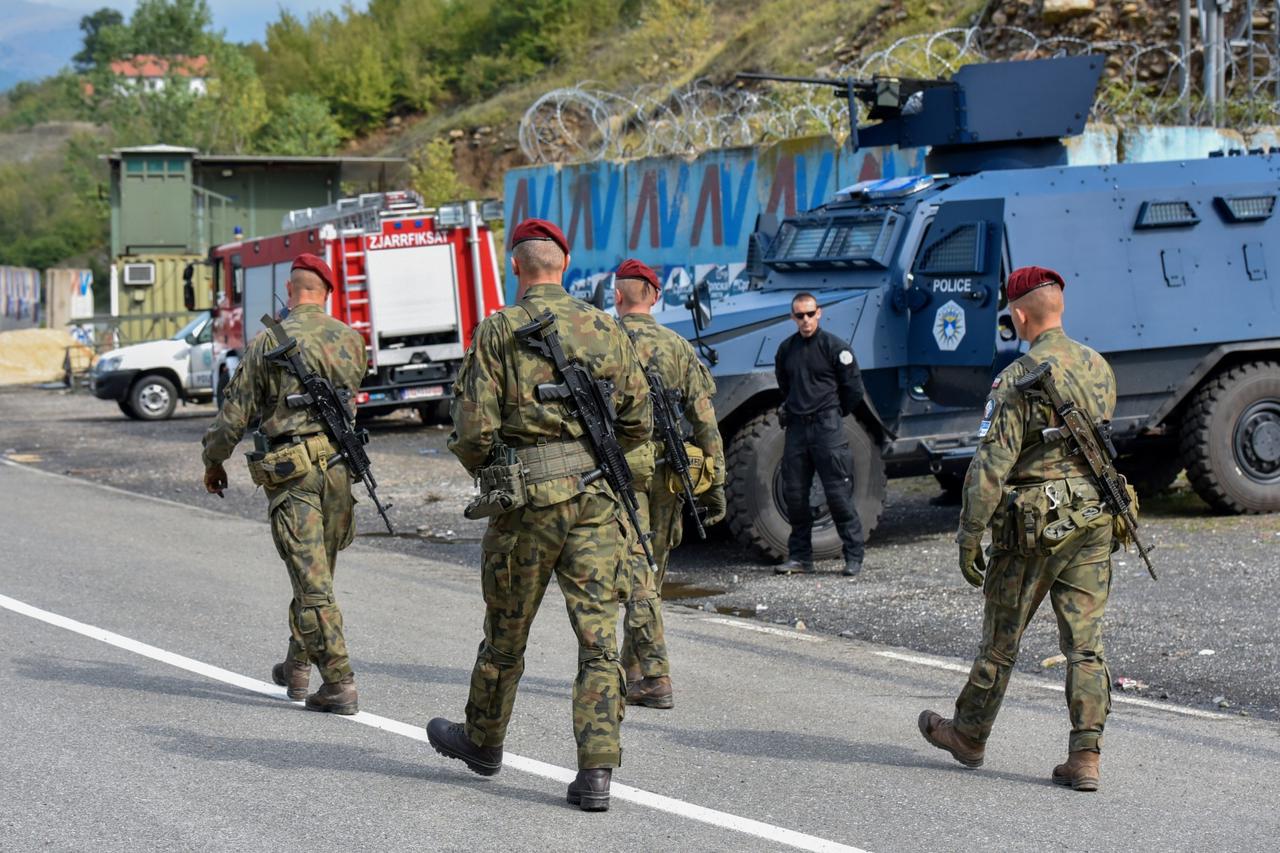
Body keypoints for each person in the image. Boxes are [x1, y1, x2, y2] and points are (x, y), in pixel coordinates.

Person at [426, 219, 652, 812]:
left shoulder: (499, 330)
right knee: (600, 640)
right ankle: (597, 772)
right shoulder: (607, 327)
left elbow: (472, 431)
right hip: (598, 499)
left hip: (527, 502)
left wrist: (502, 469)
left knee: (506, 634)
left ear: (516, 267)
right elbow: (638, 423)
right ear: (566, 264)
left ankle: (483, 741)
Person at [917, 266, 1118, 792]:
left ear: (1019, 315)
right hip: (1094, 518)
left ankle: (969, 734)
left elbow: (989, 467)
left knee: (1001, 640)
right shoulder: (1098, 366)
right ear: (1061, 309)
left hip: (1035, 527)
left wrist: (969, 535)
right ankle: (1086, 756)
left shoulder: (1016, 379)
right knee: (1085, 645)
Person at [201, 253, 366, 715]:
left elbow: (233, 416)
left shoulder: (266, 342)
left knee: (311, 579)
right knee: (317, 570)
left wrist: (213, 461)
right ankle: (297, 664)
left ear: (291, 292)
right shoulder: (352, 340)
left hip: (293, 470)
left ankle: (339, 682)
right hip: (339, 466)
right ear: (328, 293)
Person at [614, 258, 725, 711]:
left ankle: (655, 676)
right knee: (650, 573)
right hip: (670, 474)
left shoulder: (606, 341)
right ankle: (633, 669)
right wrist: (715, 484)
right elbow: (704, 420)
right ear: (655, 297)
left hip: (621, 471)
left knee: (635, 575)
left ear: (618, 296)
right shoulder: (678, 347)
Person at [773, 292, 866, 577]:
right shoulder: (786, 349)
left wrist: (834, 415)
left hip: (827, 428)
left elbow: (853, 390)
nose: (805, 320)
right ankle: (800, 558)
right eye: (799, 315)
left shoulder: (835, 347)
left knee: (838, 494)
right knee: (796, 496)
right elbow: (784, 384)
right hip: (797, 429)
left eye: (810, 314)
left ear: (819, 313)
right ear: (792, 317)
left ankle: (853, 556)